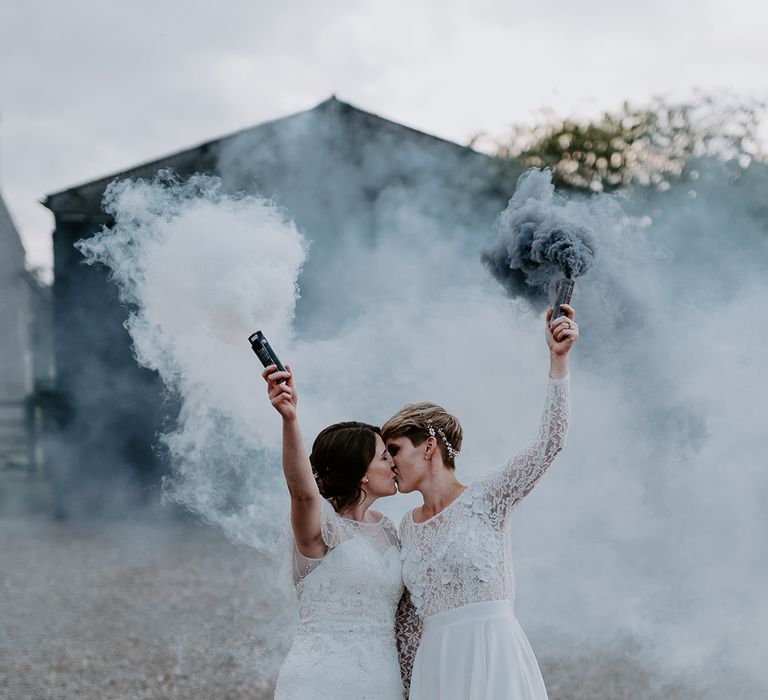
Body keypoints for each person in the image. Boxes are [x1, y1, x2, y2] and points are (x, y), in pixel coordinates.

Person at [384, 305, 578, 699]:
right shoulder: (406, 526)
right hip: (435, 668)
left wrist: (557, 360)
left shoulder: (489, 498)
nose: (388, 461)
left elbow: (550, 443)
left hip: (493, 654)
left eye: (394, 449)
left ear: (428, 447)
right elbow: (405, 622)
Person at [262, 363, 406, 699]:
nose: (394, 464)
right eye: (385, 457)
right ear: (362, 473)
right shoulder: (322, 527)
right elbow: (301, 490)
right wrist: (290, 417)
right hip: (322, 678)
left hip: (383, 678)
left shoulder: (388, 529)